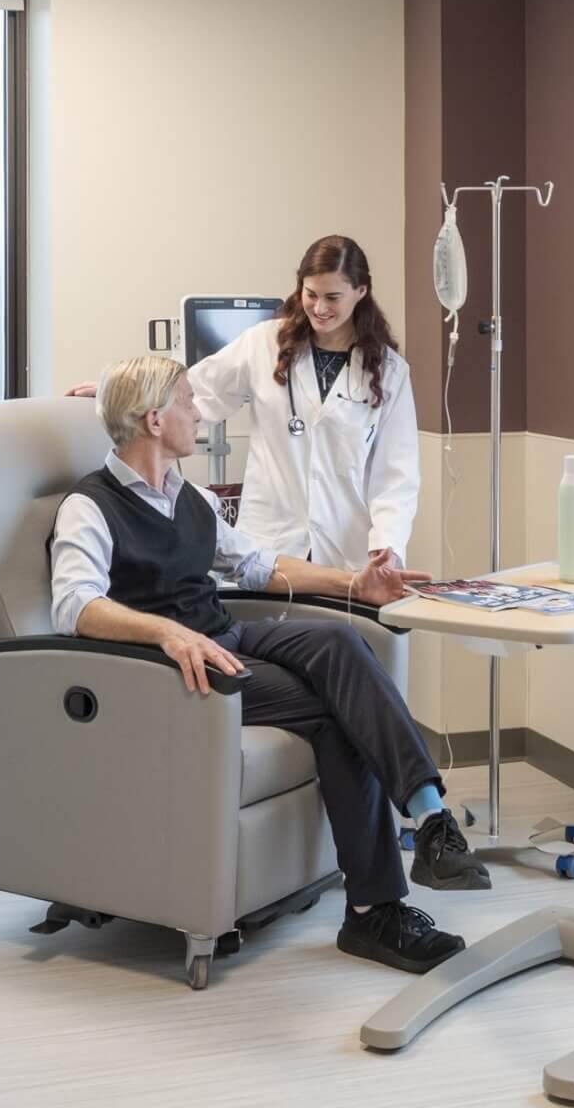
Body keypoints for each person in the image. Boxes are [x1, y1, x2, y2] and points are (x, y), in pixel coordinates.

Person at [53, 355, 489, 975]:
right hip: (170, 674)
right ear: (155, 420)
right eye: (186, 400)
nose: (198, 411)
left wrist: (355, 584)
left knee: (342, 644)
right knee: (340, 712)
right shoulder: (88, 507)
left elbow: (260, 566)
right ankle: (378, 911)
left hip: (225, 636)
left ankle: (431, 820)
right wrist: (166, 633)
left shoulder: (192, 497)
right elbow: (74, 605)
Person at [75, 234, 420, 571]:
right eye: (310, 294)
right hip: (272, 542)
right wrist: (120, 392)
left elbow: (396, 474)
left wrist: (387, 544)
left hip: (348, 547)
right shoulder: (265, 343)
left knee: (343, 629)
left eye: (333, 297)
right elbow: (194, 392)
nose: (319, 308)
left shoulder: (389, 371)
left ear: (360, 292)